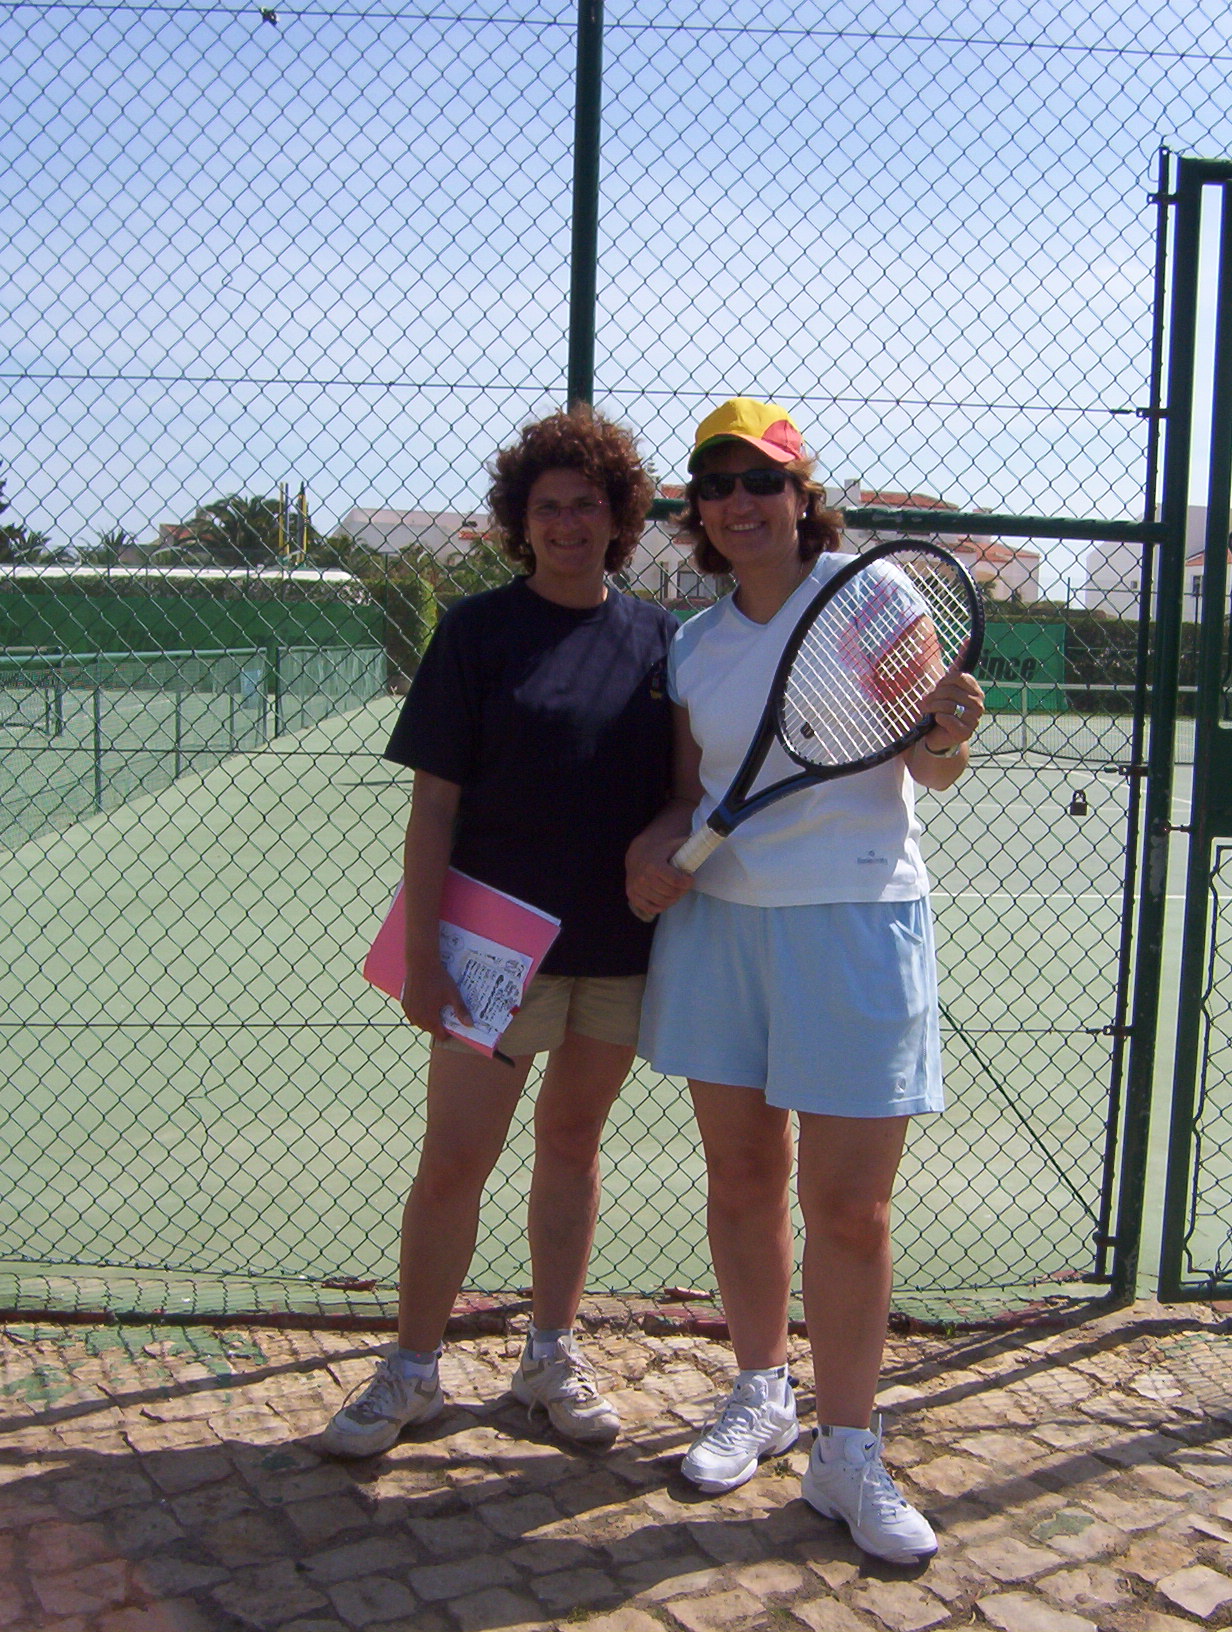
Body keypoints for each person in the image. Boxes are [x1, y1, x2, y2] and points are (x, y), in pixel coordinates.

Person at [626, 398, 985, 1564]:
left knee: (848, 1210)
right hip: (721, 930)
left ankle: (846, 1448)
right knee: (740, 1177)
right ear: (696, 511)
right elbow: (688, 793)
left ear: (799, 496)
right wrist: (653, 849)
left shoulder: (873, 598)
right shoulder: (694, 644)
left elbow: (930, 766)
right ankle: (759, 1391)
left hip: (853, 920)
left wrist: (947, 733)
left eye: (760, 481)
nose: (738, 503)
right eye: (715, 485)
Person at [321, 408, 676, 1457]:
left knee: (572, 1146)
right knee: (455, 1159)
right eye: (548, 507)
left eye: (587, 505)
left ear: (619, 517)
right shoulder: (476, 632)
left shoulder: (662, 639)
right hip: (489, 953)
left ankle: (548, 1357)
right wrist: (422, 955)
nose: (568, 523)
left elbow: (681, 792)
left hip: (616, 951)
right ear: (522, 521)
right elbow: (433, 808)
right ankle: (412, 1371)